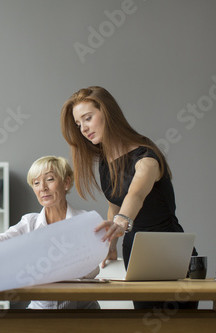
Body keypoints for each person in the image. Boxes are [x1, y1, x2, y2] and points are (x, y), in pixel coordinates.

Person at [60, 86, 197, 309]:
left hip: (171, 254)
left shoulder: (146, 157)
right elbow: (114, 205)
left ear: (107, 113)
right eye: (78, 124)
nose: (83, 129)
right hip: (136, 255)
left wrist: (122, 222)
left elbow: (136, 195)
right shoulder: (106, 161)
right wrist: (111, 244)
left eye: (88, 118)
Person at [0, 155, 100, 310]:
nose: (42, 187)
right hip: (40, 313)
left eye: (49, 179)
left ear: (66, 182)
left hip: (83, 314)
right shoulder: (30, 223)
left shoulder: (85, 220)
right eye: (36, 183)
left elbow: (93, 269)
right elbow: (2, 240)